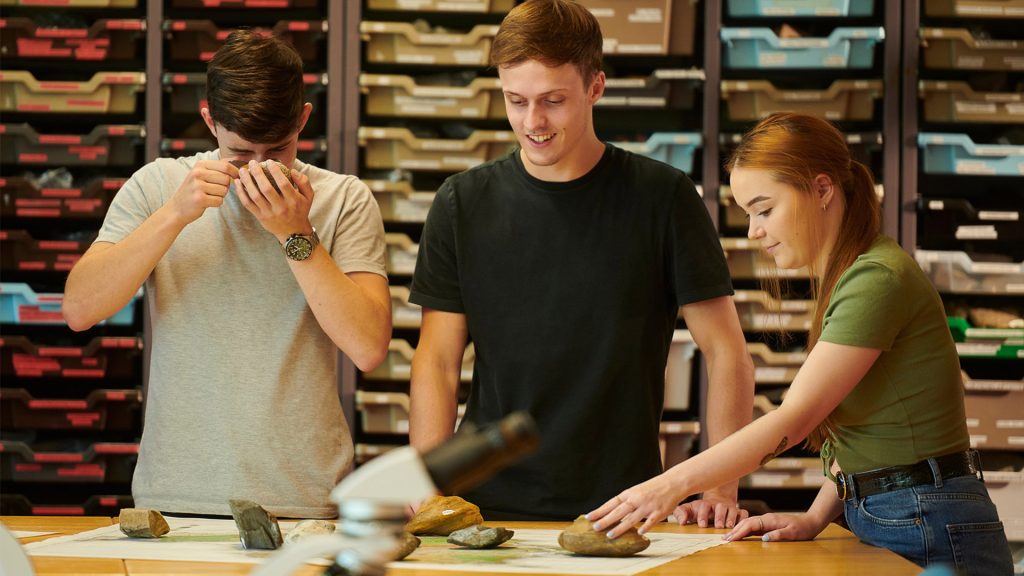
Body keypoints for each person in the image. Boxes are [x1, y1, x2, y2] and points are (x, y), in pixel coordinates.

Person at [588, 112, 1013, 575]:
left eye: (764, 209)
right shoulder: (854, 276)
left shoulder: (877, 279)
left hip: (927, 521)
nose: (753, 231)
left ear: (823, 189)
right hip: (903, 513)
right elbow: (872, 437)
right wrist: (815, 516)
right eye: (748, 214)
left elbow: (796, 418)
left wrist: (668, 485)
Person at [407, 0, 754, 525]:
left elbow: (726, 352)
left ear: (596, 87)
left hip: (626, 507)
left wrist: (721, 488)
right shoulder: (461, 203)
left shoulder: (664, 197)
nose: (533, 122)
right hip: (485, 504)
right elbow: (436, 360)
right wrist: (430, 489)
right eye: (515, 101)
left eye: (552, 100)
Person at [62, 30, 392, 518]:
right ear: (209, 120)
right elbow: (79, 310)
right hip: (174, 499)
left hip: (301, 499)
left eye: (277, 150)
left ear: (303, 119)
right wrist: (174, 216)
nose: (259, 169)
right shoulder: (158, 186)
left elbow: (368, 347)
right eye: (240, 154)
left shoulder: (344, 198)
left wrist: (295, 235)